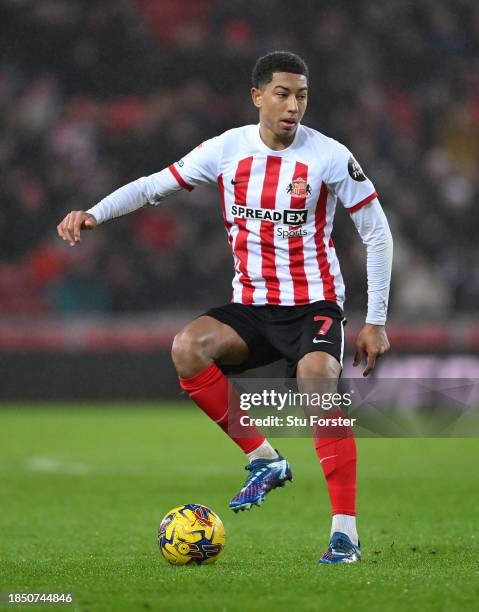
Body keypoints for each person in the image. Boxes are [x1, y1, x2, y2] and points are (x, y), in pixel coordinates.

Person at [57, 51, 393, 564]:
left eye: (301, 95)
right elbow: (153, 187)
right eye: (282, 94)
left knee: (319, 382)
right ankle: (264, 458)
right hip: (253, 306)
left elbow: (377, 234)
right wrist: (95, 213)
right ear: (257, 96)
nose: (293, 106)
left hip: (314, 305)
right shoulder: (225, 150)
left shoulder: (328, 156)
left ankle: (344, 533)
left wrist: (376, 320)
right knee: (187, 348)